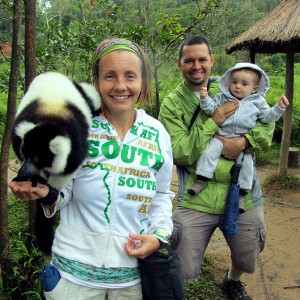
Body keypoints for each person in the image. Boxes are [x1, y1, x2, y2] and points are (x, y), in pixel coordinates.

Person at [9, 38, 174, 300]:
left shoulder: (157, 133)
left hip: (132, 279)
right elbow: (65, 192)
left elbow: (163, 195)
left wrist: (159, 236)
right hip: (73, 279)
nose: (120, 86)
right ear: (97, 81)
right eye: (110, 76)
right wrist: (47, 195)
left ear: (142, 81)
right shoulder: (78, 130)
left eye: (130, 76)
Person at [158, 35, 276, 300]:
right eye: (189, 60)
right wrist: (214, 123)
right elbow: (179, 151)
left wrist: (244, 141)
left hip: (242, 192)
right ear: (180, 63)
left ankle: (232, 281)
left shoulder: (234, 86)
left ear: (212, 61)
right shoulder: (172, 104)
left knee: (247, 250)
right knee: (182, 259)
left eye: (202, 59)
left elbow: (267, 125)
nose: (196, 66)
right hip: (196, 196)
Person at [188, 62, 289, 214]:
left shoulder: (258, 102)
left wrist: (279, 108)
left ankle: (242, 194)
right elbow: (210, 109)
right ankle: (202, 180)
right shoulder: (222, 97)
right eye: (234, 82)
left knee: (247, 165)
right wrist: (204, 98)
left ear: (254, 88)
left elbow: (267, 117)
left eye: (244, 84)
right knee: (209, 153)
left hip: (242, 138)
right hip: (221, 135)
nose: (237, 86)